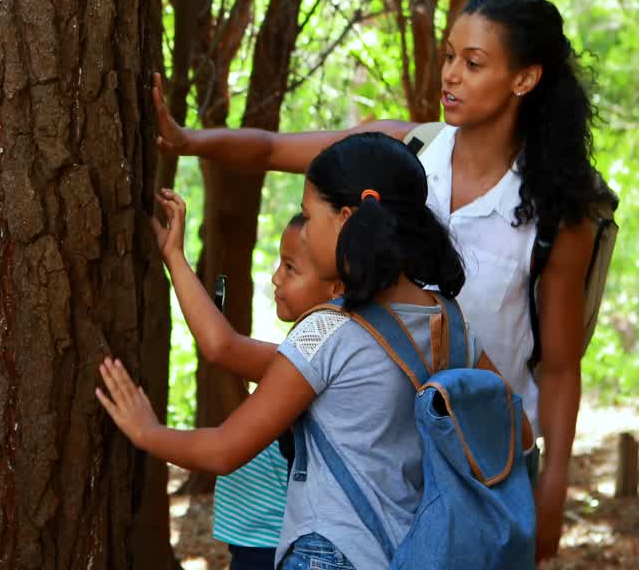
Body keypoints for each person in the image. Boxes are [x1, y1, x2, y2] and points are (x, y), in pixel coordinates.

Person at [151, 0, 607, 559]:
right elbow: (271, 149)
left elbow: (560, 367)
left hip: (480, 460)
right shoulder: (404, 152)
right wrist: (188, 140)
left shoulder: (556, 214)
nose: (450, 75)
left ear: (524, 78)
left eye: (473, 63)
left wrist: (553, 487)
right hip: (378, 453)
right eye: (448, 56)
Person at [98, 132, 525, 569]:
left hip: (330, 554)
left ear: (345, 218)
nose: (304, 232)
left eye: (309, 215)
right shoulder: (452, 324)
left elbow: (224, 450)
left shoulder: (327, 330)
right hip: (412, 555)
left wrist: (148, 433)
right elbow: (520, 433)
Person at [202, 214, 342, 570]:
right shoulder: (296, 353)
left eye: (291, 267)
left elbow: (221, 348)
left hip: (277, 542)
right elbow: (243, 422)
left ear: (336, 285)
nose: (276, 277)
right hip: (251, 537)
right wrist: (224, 365)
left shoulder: (316, 362)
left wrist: (146, 432)